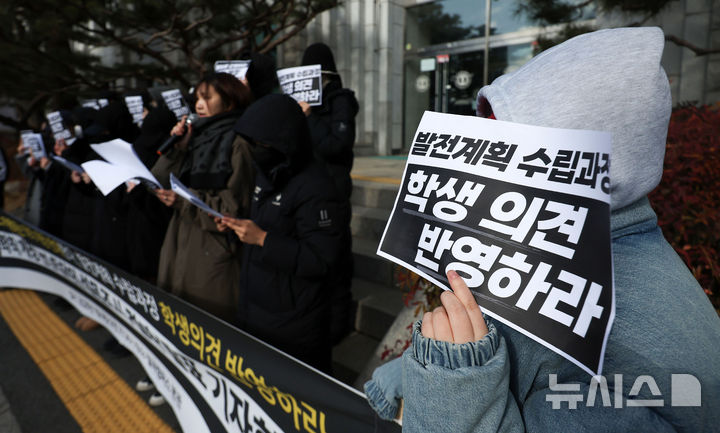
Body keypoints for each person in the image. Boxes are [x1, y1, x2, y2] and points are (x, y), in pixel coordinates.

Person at [363, 27, 720, 432]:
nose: (484, 160)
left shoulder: (621, 329)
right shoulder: (549, 248)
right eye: (487, 132)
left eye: (506, 146)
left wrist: (454, 381)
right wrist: (404, 381)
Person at [220, 93, 343, 373]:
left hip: (294, 324)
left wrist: (263, 239)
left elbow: (321, 260)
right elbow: (263, 225)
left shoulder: (316, 187)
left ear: (285, 141)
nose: (256, 150)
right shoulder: (268, 173)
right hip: (256, 308)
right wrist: (237, 228)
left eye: (263, 144)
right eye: (252, 143)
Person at [151, 72, 254, 322]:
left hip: (213, 249)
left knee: (207, 327)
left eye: (207, 98)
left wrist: (182, 201)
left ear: (229, 101)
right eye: (197, 98)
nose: (199, 105)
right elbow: (158, 181)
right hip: (181, 240)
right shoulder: (196, 137)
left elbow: (232, 209)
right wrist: (177, 149)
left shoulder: (239, 143)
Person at [300, 42, 359, 345]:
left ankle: (339, 326)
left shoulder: (341, 101)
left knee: (336, 261)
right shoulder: (301, 104)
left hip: (333, 192)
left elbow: (337, 145)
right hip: (307, 192)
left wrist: (310, 117)